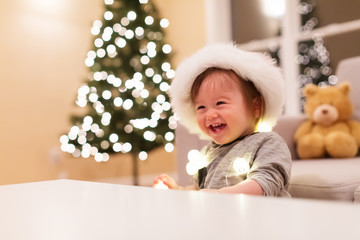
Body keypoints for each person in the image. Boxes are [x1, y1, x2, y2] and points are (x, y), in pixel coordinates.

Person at [154, 43, 292, 197]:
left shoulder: (268, 142)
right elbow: (201, 189)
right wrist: (178, 191)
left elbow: (265, 183)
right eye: (201, 107)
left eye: (220, 103)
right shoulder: (208, 153)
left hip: (263, 218)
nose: (210, 115)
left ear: (255, 106)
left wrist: (220, 194)